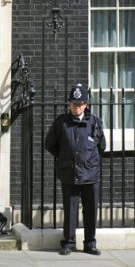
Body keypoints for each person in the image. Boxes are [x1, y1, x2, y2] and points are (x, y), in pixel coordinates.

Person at [45, 84, 106, 256]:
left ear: (86, 104)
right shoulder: (61, 123)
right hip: (69, 172)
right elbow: (49, 144)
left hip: (90, 174)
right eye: (73, 104)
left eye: (79, 104)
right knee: (70, 210)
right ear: (69, 105)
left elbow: (102, 146)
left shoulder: (95, 123)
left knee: (91, 210)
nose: (76, 107)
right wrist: (65, 156)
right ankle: (69, 243)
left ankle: (90, 243)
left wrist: (89, 162)